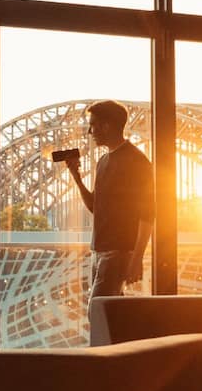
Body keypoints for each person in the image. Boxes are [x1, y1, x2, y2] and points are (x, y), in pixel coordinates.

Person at [62, 99, 153, 298]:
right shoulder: (103, 161)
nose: (89, 132)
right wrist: (76, 177)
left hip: (118, 253)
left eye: (92, 125)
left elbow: (148, 214)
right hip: (99, 250)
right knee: (110, 312)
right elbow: (96, 207)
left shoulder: (137, 162)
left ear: (107, 126)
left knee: (97, 310)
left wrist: (136, 258)